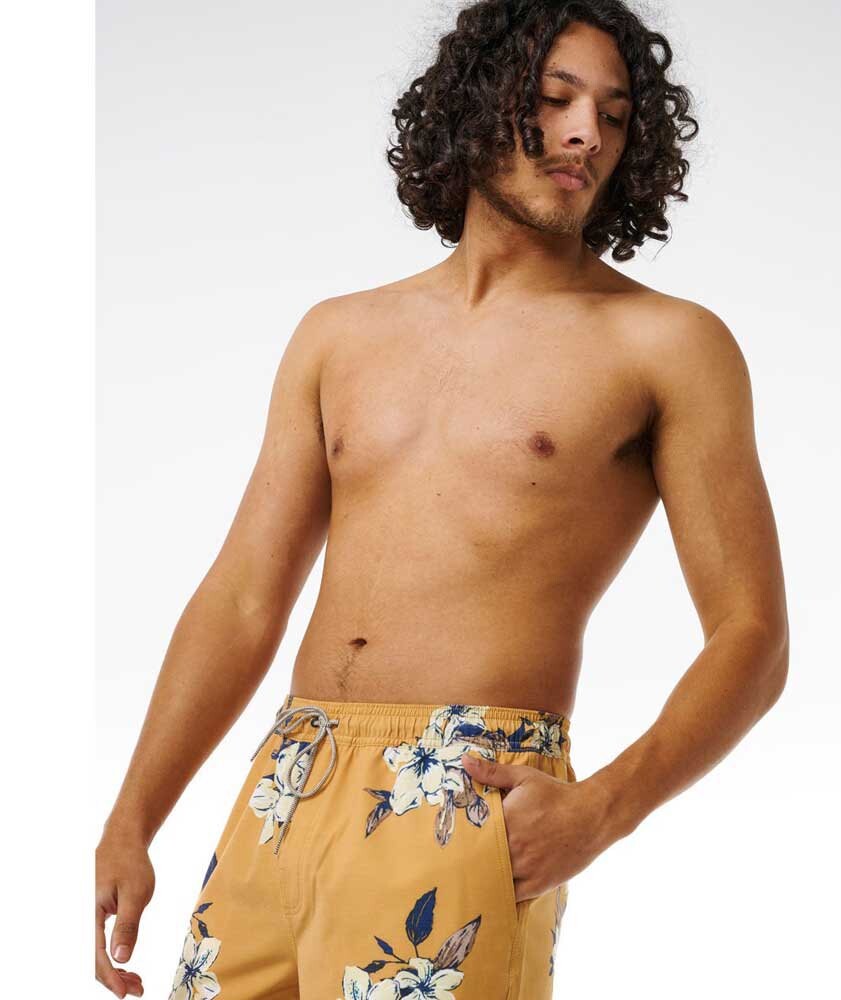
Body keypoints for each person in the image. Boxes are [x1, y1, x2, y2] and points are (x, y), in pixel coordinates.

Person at [95, 1, 789, 997]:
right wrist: (133, 815)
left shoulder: (667, 346)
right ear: (478, 103)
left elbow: (752, 635)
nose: (586, 135)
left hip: (467, 791)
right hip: (286, 782)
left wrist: (602, 809)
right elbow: (243, 596)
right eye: (554, 99)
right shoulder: (337, 335)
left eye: (613, 114)